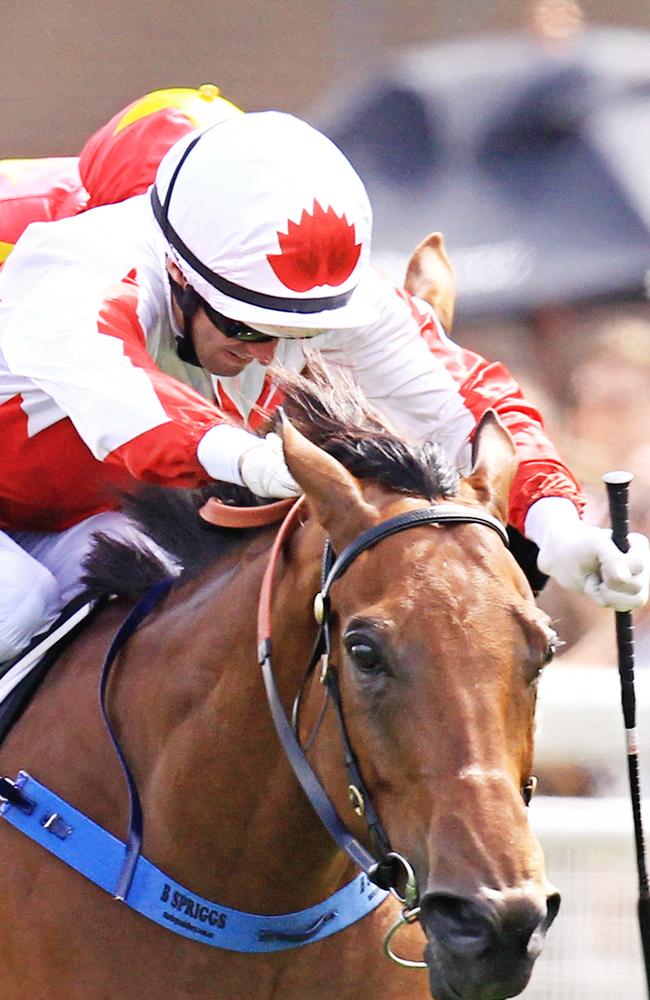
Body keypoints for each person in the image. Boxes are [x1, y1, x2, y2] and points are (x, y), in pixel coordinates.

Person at [0, 108, 647, 665]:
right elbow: (127, 405)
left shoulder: (308, 290)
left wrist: (563, 532)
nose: (268, 354)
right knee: (17, 602)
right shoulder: (79, 268)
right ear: (177, 272)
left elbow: (468, 407)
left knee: (168, 609)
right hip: (31, 499)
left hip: (62, 503)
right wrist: (257, 459)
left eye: (296, 334)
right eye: (244, 325)